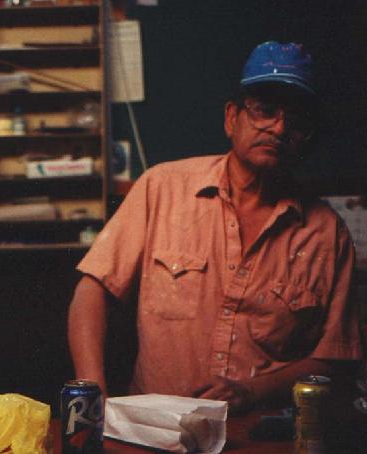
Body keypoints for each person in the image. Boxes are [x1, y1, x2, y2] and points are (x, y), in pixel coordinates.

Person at [68, 41, 363, 414]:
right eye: (265, 110)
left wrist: (252, 392)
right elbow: (92, 290)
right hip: (154, 427)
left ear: (307, 139)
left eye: (298, 121)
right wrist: (92, 394)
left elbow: (335, 357)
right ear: (231, 118)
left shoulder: (326, 233)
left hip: (262, 434)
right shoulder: (162, 188)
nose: (279, 127)